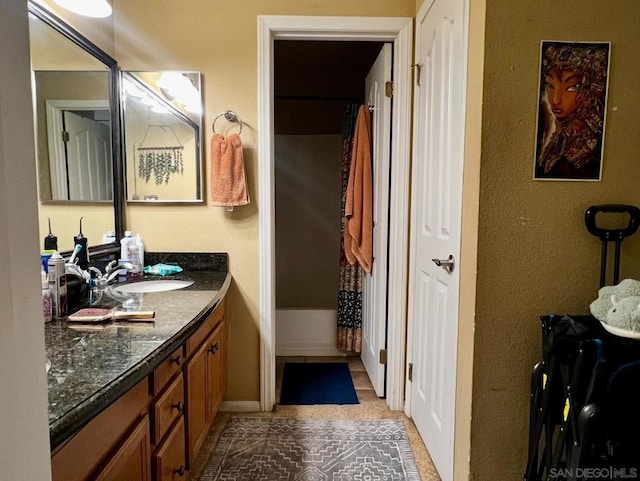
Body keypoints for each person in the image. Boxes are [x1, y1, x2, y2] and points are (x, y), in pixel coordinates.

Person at [535, 42, 609, 180]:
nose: (556, 99)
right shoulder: (560, 135)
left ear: (589, 89)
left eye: (571, 87)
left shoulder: (590, 148)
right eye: (550, 85)